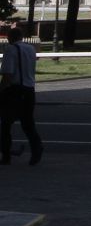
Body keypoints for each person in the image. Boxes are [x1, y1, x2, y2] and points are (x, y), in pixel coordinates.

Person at [1, 23, 43, 166]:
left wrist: (2, 90)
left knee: (5, 124)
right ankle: (36, 148)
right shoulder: (30, 49)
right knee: (28, 123)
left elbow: (7, 74)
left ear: (9, 38)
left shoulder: (11, 50)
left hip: (15, 90)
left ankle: (6, 155)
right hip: (29, 89)